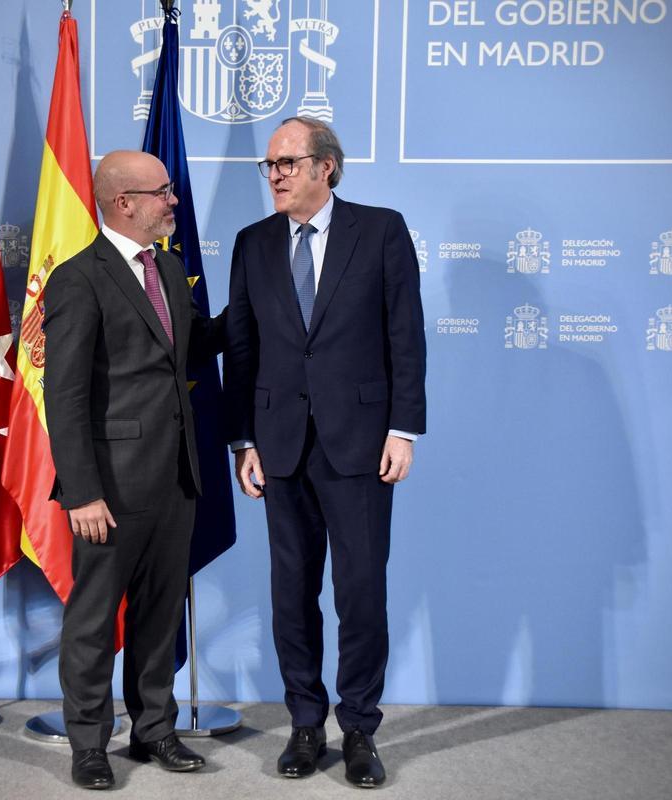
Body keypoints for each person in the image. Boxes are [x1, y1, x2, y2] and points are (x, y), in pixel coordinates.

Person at [224, 117, 426, 788]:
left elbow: (406, 336)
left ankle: (361, 730)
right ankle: (306, 724)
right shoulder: (253, 244)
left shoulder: (381, 230)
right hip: (280, 448)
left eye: (288, 162)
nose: (276, 174)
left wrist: (404, 430)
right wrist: (242, 439)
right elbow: (244, 349)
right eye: (270, 165)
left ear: (326, 168)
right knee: (292, 595)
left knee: (362, 594)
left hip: (362, 447)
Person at [44, 150, 223, 790]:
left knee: (158, 616)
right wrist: (83, 493)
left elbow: (190, 349)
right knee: (94, 622)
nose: (174, 201)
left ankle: (154, 733)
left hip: (177, 476)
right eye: (164, 192)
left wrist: (248, 314)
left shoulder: (170, 269)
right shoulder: (77, 279)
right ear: (125, 203)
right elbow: (62, 395)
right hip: (110, 489)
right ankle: (89, 746)